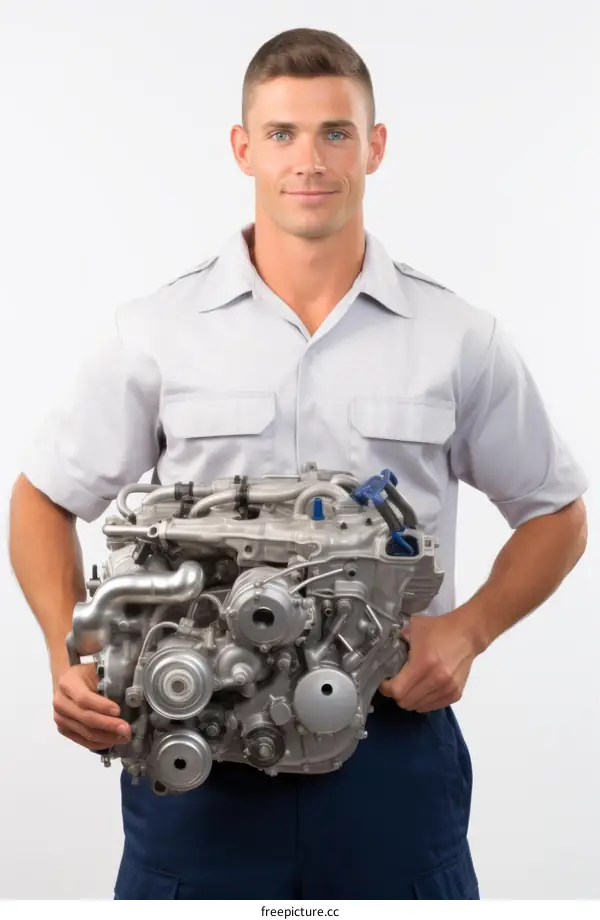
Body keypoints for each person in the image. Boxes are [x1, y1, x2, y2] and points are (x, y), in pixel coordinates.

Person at [8, 27, 588, 900]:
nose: (308, 160)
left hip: (391, 753)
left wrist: (466, 632)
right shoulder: (155, 333)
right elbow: (42, 499)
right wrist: (70, 652)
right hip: (192, 746)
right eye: (281, 134)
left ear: (374, 146)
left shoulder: (457, 337)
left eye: (334, 133)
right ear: (243, 149)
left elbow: (558, 511)